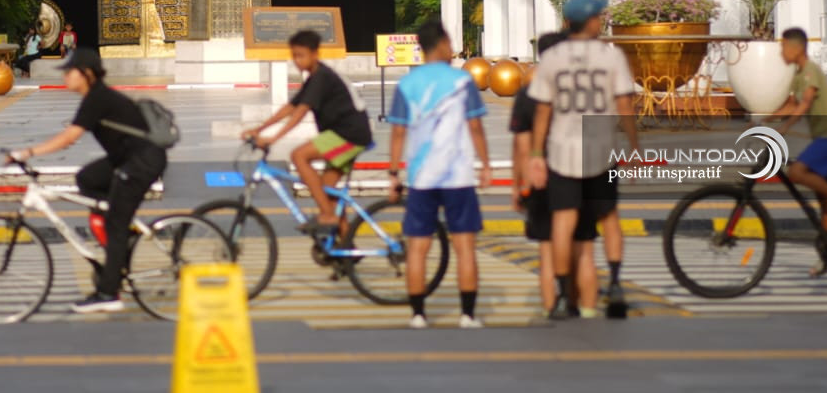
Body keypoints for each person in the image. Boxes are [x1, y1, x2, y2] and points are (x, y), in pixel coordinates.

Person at [7, 47, 166, 314]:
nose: (65, 76)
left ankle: (108, 293)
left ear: (87, 74)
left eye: (70, 72)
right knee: (87, 178)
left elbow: (69, 137)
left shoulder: (98, 98)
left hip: (142, 162)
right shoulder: (94, 97)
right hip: (126, 159)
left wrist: (26, 153)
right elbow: (71, 138)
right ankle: (118, 230)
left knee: (115, 225)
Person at [525, 0, 638, 320]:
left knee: (563, 222)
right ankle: (615, 284)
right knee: (609, 217)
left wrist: (536, 154)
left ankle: (563, 294)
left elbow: (543, 110)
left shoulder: (552, 58)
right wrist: (634, 146)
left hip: (562, 150)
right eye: (598, 17)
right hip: (601, 148)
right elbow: (624, 103)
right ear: (589, 21)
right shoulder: (611, 56)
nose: (601, 21)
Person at [386, 18, 489, 329]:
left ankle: (418, 315)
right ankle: (467, 315)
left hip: (422, 177)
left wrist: (394, 173)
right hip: (458, 176)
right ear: (443, 44)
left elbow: (398, 132)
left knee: (418, 247)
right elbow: (475, 126)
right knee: (464, 246)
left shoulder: (407, 84)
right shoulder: (462, 81)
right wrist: (485, 164)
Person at [242, 30, 372, 233]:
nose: (297, 60)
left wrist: (273, 138)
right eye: (294, 56)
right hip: (347, 134)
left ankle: (328, 216)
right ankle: (345, 244)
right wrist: (258, 129)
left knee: (299, 156)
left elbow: (300, 112)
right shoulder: (314, 78)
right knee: (327, 193)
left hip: (348, 135)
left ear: (315, 54)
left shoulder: (322, 77)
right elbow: (290, 107)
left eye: (301, 55)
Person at [510, 28, 598, 316]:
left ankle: (553, 307)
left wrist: (518, 185)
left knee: (547, 250)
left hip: (542, 177)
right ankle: (587, 310)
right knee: (584, 250)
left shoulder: (528, 95)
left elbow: (522, 147)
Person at [762, 27, 827, 259]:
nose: (781, 53)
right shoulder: (798, 75)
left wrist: (784, 128)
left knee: (796, 172)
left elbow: (805, 103)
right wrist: (763, 120)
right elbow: (791, 105)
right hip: (825, 135)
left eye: (783, 47)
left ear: (796, 48)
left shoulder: (810, 71)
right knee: (822, 193)